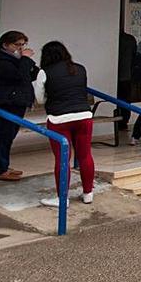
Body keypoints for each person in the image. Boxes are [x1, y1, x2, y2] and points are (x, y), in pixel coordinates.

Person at [33, 41, 96, 206]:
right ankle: (88, 194)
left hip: (59, 119)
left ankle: (62, 199)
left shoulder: (44, 72)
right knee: (85, 155)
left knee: (62, 159)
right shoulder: (80, 68)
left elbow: (40, 99)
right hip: (84, 116)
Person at [0, 30, 38, 181]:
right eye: (17, 45)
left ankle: (3, 165)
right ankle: (0, 169)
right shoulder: (2, 60)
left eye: (23, 45)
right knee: (3, 136)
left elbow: (32, 73)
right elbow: (19, 76)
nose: (21, 48)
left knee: (9, 136)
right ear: (5, 45)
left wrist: (26, 61)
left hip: (18, 103)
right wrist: (25, 60)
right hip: (7, 103)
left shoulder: (17, 60)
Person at [115, 29, 137, 132]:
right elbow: (134, 57)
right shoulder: (130, 39)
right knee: (125, 100)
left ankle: (119, 122)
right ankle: (124, 122)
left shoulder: (113, 38)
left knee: (117, 99)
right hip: (126, 74)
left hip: (117, 74)